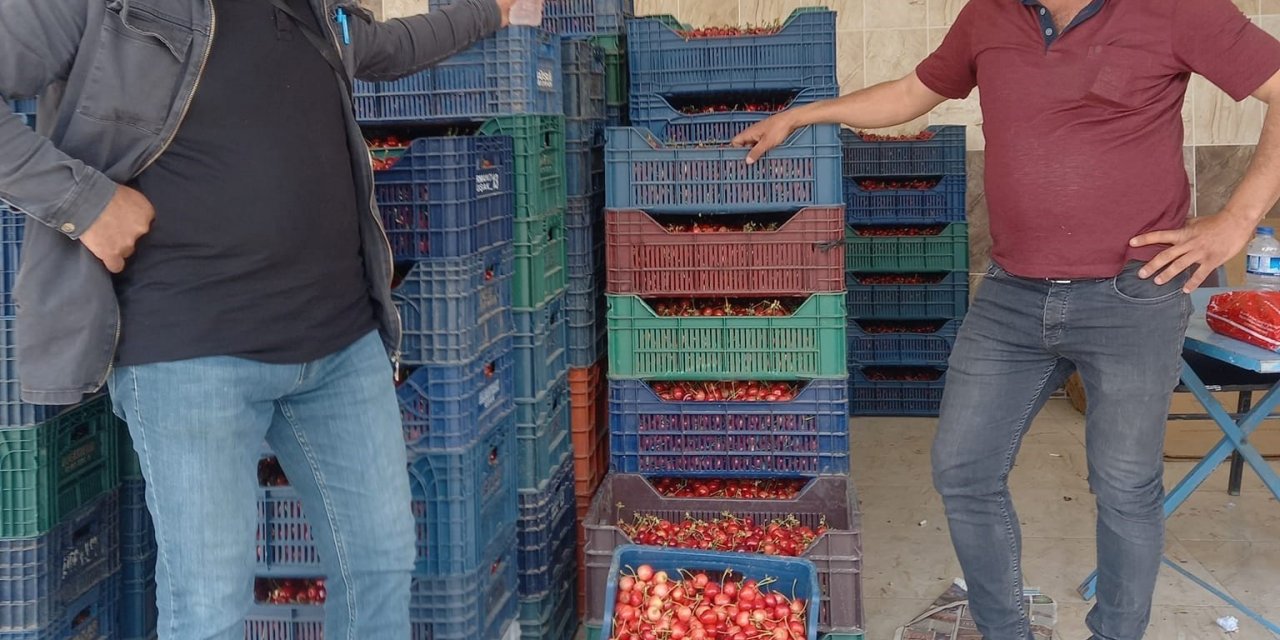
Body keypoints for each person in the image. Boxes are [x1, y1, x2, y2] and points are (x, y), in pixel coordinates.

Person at [735, 0, 1280, 638]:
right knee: (963, 468)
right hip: (1011, 293)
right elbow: (915, 91)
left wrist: (1237, 219)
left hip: (1132, 293)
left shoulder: (1177, 8)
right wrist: (805, 115)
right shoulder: (988, 14)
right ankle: (1005, 631)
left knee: (1126, 485)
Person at [0, 0, 514, 637]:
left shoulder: (314, 10)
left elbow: (389, 46)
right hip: (190, 354)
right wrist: (85, 202)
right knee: (211, 604)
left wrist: (493, 10)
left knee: (381, 562)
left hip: (341, 341)